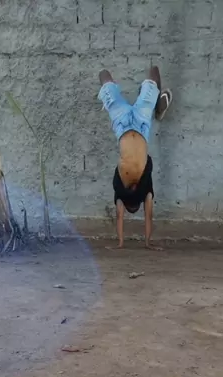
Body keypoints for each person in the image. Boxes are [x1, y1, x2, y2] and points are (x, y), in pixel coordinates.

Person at [98, 66, 172, 249]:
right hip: (141, 124)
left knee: (104, 76)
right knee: (154, 72)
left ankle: (116, 88)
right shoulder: (145, 191)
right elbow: (149, 216)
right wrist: (148, 243)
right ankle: (158, 110)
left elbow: (119, 216)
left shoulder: (120, 192)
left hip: (121, 123)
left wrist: (120, 243)